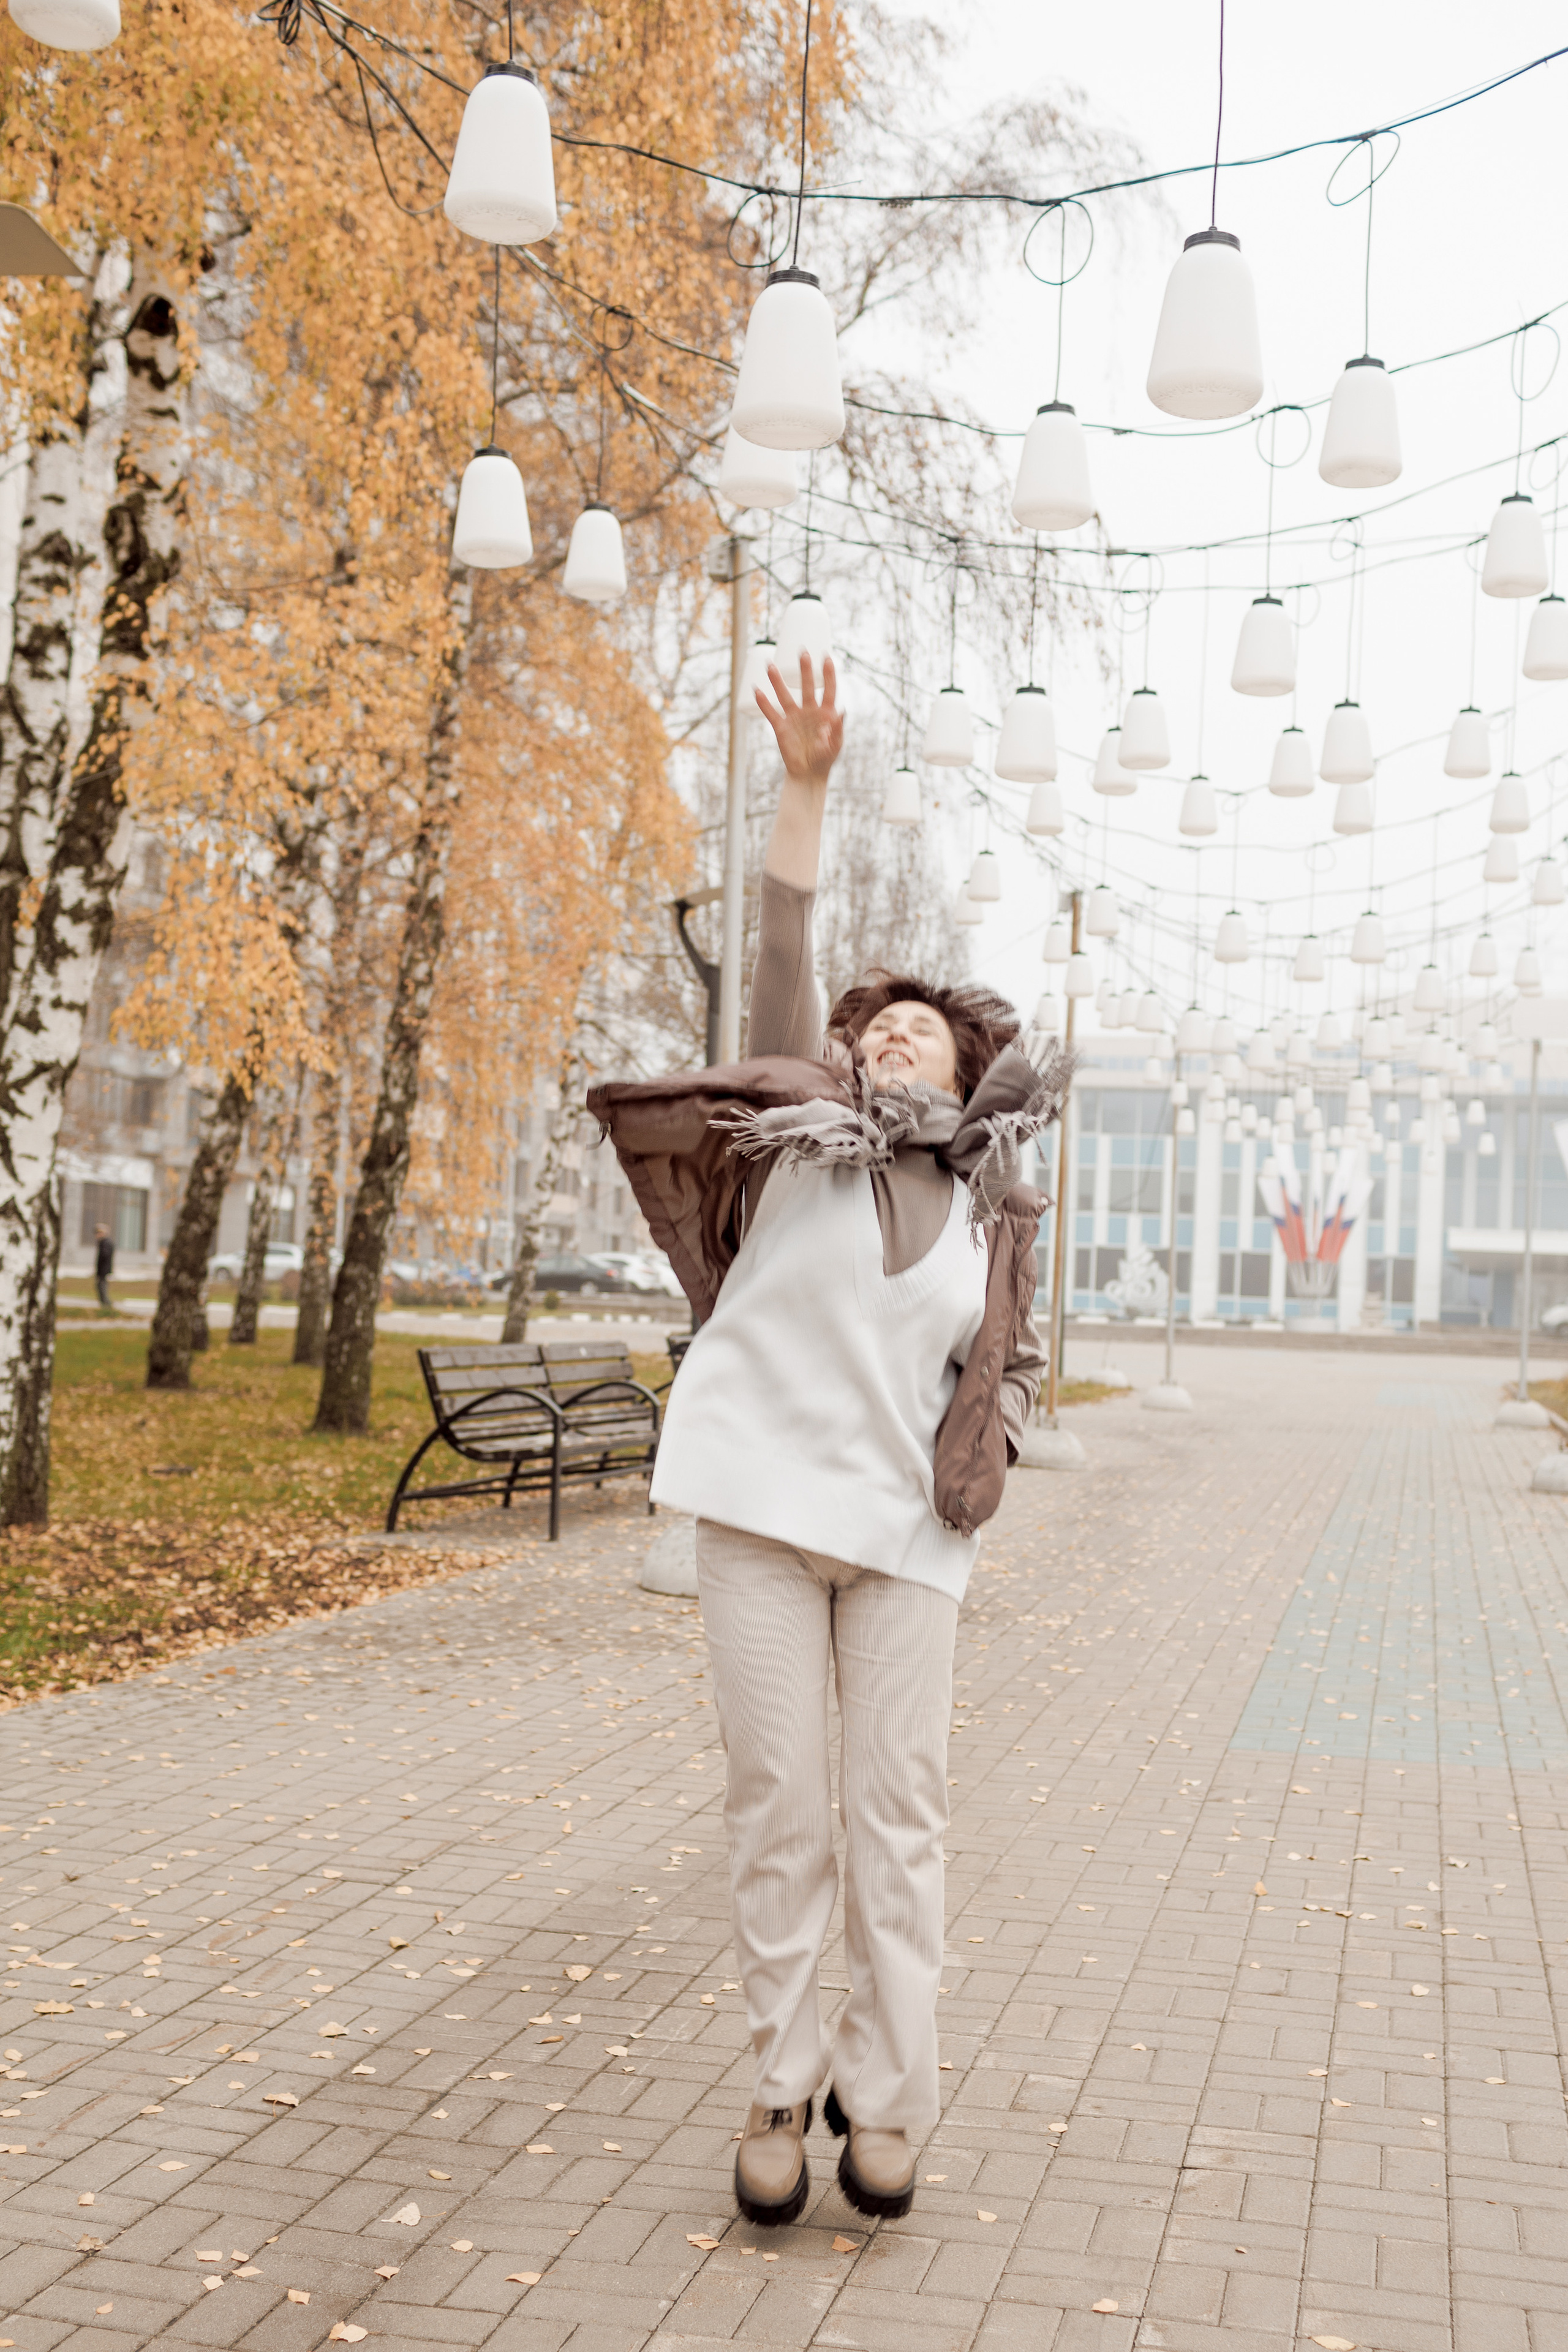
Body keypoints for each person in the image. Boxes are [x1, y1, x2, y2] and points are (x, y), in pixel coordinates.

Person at [587, 655, 1069, 2229]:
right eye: (883, 1031)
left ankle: (887, 2088)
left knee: (897, 1816)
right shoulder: (785, 1138)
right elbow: (784, 961)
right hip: (755, 1513)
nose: (896, 1046)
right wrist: (802, 791)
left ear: (967, 1066)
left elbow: (996, 1371)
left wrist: (986, 1430)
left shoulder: (995, 1208)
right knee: (776, 1805)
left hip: (904, 1538)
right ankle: (779, 2076)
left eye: (926, 1033)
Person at [93, 1223, 114, 1312]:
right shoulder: (103, 1243)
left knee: (102, 1286)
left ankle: (106, 1303)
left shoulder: (106, 1243)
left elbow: (104, 1257)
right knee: (100, 1286)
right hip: (103, 1269)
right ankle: (104, 1303)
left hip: (104, 1269)